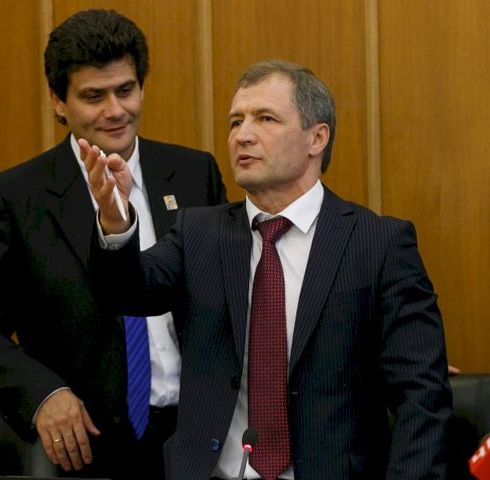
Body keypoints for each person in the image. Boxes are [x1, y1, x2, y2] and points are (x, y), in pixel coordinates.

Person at [84, 60, 452, 479]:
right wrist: (114, 220)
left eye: (266, 119)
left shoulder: (378, 244)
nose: (242, 135)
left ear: (317, 138)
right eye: (235, 121)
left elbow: (421, 397)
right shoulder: (199, 233)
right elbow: (127, 291)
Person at [0, 8, 226, 480]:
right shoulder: (16, 197)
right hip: (87, 451)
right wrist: (43, 395)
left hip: (196, 441)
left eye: (125, 90)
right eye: (94, 96)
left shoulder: (196, 174)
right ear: (58, 101)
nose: (115, 111)